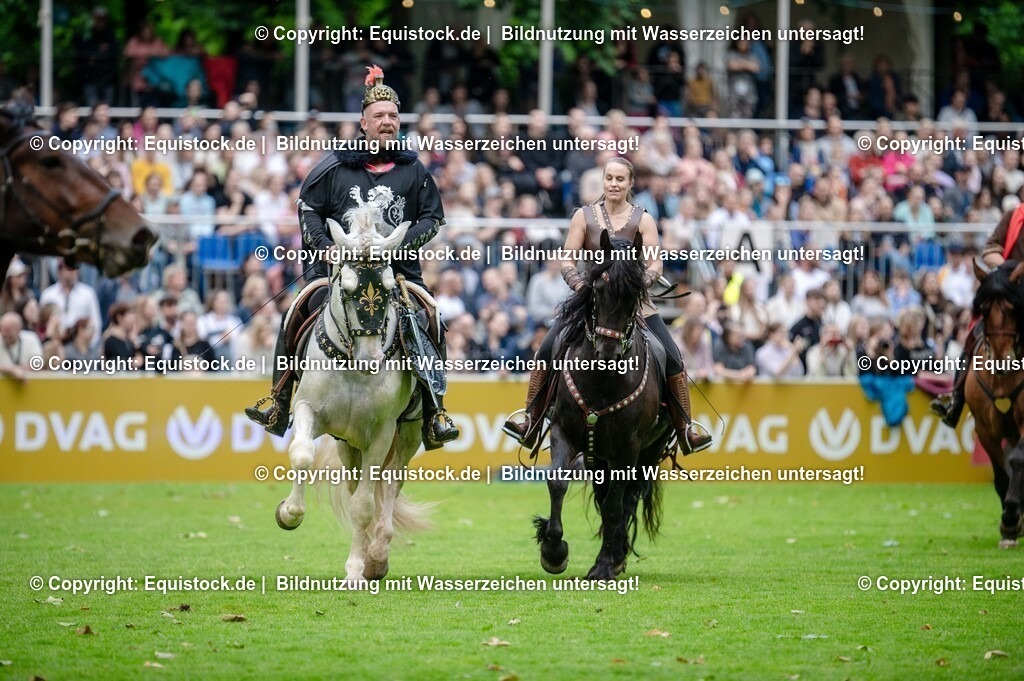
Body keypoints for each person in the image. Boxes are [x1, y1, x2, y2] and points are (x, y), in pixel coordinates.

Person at [246, 65, 459, 449]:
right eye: (379, 116)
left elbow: (433, 219)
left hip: (396, 272)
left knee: (432, 319)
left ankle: (434, 412)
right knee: (294, 313)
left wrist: (399, 246)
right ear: (363, 123)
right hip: (335, 270)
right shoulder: (334, 166)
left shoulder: (414, 170)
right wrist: (324, 247)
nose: (387, 122)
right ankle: (278, 400)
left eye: (393, 115)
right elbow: (308, 209)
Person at [502, 157, 712, 455]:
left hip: (635, 304)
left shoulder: (644, 219)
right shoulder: (583, 216)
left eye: (620, 179)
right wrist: (580, 286)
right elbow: (567, 260)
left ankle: (685, 430)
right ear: (603, 181)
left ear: (630, 183)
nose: (614, 184)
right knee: (546, 348)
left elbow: (656, 263)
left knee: (672, 355)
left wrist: (639, 283)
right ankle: (530, 421)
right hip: (591, 301)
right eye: (609, 178)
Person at [932, 204, 1024, 427]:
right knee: (975, 333)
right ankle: (955, 399)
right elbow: (990, 252)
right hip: (1012, 290)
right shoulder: (1014, 216)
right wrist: (1011, 268)